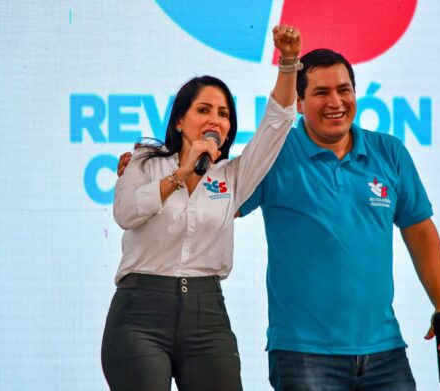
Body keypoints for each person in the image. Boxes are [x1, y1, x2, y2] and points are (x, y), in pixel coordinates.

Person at [118, 49, 440, 391]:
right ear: (298, 103)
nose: (336, 101)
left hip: (385, 349)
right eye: (321, 92)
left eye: (344, 90)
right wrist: (152, 176)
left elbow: (419, 230)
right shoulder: (276, 157)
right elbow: (215, 204)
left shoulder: (389, 152)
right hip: (302, 353)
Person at [102, 25, 301, 391]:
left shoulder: (235, 175)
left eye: (223, 114)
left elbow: (277, 123)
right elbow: (126, 214)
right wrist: (180, 174)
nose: (215, 120)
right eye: (204, 109)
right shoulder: (144, 163)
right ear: (180, 120)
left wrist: (288, 62)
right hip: (139, 314)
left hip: (207, 314)